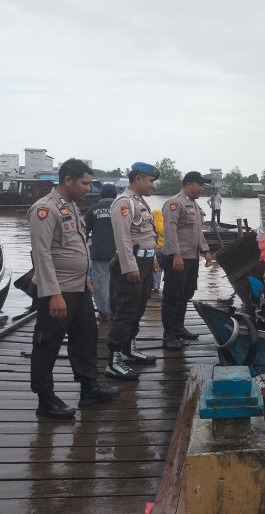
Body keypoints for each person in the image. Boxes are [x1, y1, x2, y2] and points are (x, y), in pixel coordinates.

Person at [27, 158, 120, 419]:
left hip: (79, 288)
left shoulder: (70, 206)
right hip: (58, 291)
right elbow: (41, 254)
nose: (89, 188)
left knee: (86, 338)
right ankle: (45, 400)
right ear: (68, 180)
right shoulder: (44, 209)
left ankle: (89, 388)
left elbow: (76, 246)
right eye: (85, 183)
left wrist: (87, 279)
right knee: (47, 345)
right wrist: (53, 294)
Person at [106, 162, 160, 380]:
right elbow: (123, 238)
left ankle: (128, 349)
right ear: (138, 179)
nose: (153, 186)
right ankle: (114, 360)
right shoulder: (124, 203)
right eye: (150, 181)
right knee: (126, 311)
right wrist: (130, 267)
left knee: (137, 309)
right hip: (132, 264)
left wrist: (153, 257)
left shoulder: (140, 202)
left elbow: (147, 234)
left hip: (145, 263)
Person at [161, 171, 214, 350]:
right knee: (172, 296)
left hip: (192, 258)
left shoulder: (194, 205)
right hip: (178, 258)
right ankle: (169, 336)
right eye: (200, 185)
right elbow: (170, 231)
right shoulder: (175, 203)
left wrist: (206, 251)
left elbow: (198, 232)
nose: (202, 189)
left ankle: (179, 328)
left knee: (185, 295)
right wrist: (175, 254)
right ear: (189, 184)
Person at [85, 183, 117, 320]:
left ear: (101, 194)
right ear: (116, 194)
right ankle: (117, 311)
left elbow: (84, 233)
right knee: (118, 283)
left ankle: (104, 313)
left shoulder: (93, 209)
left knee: (100, 284)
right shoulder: (121, 208)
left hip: (99, 253)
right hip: (119, 253)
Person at [152, 208, 164, 291]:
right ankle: (158, 285)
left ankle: (154, 284)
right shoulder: (163, 224)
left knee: (154, 268)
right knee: (161, 268)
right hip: (163, 249)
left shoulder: (151, 224)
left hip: (154, 250)